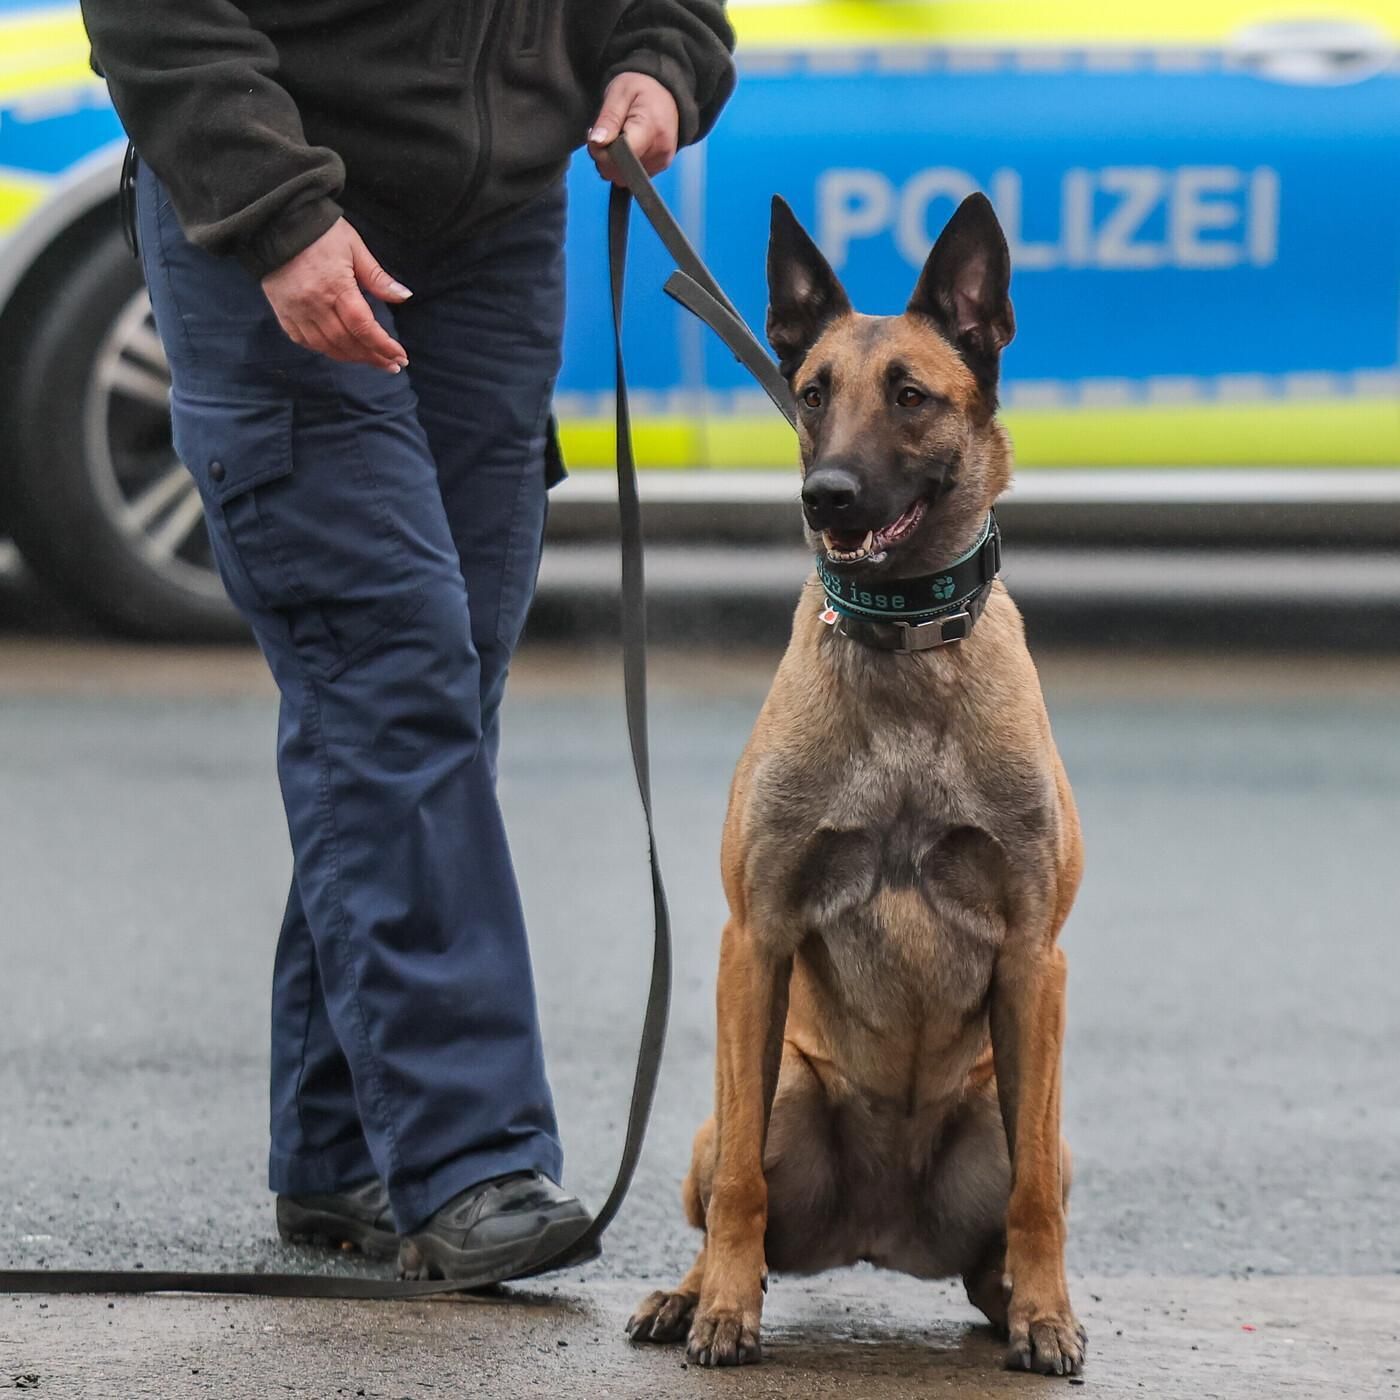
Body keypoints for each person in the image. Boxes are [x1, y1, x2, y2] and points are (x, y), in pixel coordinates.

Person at [78, 0, 735, 1281]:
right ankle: (465, 1157)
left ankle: (339, 1146)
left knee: (449, 680)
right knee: (390, 673)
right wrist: (276, 212)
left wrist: (659, 63)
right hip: (278, 218)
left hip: (493, 238)